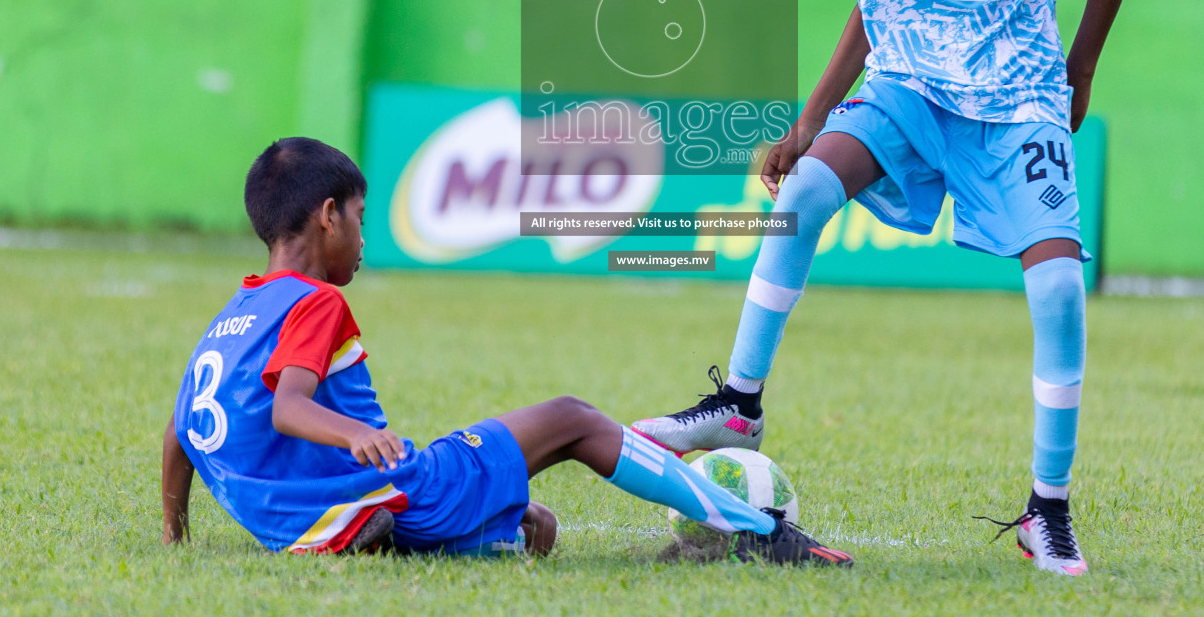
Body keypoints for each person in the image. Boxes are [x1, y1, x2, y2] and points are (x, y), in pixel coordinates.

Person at [632, 0, 1138, 577]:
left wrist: (1079, 70)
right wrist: (807, 123)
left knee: (1057, 287)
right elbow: (873, 9)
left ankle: (1045, 509)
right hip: (907, 87)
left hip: (1015, 101)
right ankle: (740, 403)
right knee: (803, 196)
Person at [160, 136, 852, 566]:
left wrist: (176, 532)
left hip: (295, 519)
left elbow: (180, 431)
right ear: (327, 215)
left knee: (533, 524)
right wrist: (355, 433)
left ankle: (455, 534)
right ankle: (758, 528)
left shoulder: (237, 312)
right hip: (397, 485)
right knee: (571, 418)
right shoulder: (317, 301)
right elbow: (289, 407)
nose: (365, 241)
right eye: (362, 220)